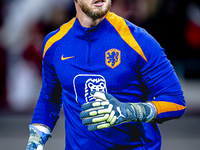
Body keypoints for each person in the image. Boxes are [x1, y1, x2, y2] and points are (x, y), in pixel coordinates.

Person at [26, 0, 186, 149]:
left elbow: (176, 101)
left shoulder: (138, 41)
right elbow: (49, 99)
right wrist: (36, 138)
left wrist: (130, 111)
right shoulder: (54, 44)